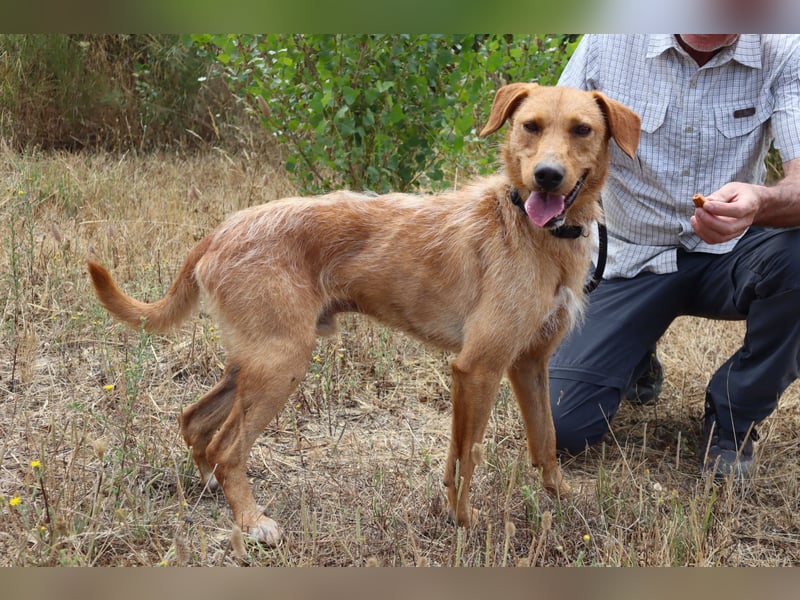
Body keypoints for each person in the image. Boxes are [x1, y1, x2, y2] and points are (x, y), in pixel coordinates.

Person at [551, 34, 800, 478]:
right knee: (560, 426)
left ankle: (733, 418)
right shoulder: (608, 41)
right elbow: (553, 141)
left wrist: (759, 202)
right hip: (630, 258)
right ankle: (635, 350)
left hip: (734, 250)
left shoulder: (783, 49)